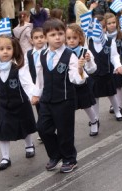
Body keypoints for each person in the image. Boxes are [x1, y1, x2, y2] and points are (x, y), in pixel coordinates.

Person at [31, 19, 88, 173]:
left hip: (64, 100)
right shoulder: (42, 55)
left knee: (65, 132)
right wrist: (36, 94)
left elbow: (76, 78)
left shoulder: (70, 55)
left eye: (60, 34)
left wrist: (81, 70)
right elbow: (39, 78)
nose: (58, 38)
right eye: (53, 34)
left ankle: (69, 158)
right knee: (42, 129)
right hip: (47, 100)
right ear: (45, 37)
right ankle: (55, 154)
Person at [0, 35, 37, 170]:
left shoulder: (18, 66)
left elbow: (27, 83)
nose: (5, 51)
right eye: (1, 49)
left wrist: (33, 95)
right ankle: (5, 157)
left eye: (8, 48)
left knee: (25, 125)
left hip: (20, 102)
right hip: (4, 104)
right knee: (3, 129)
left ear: (14, 49)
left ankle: (29, 145)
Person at [88, 16, 122, 123]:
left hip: (107, 72)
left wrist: (118, 66)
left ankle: (117, 111)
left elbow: (114, 56)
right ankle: (96, 117)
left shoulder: (109, 41)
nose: (99, 30)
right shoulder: (88, 41)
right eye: (96, 28)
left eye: (102, 27)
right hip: (94, 74)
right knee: (95, 97)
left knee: (111, 94)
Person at [66, 23, 99, 136]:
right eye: (68, 38)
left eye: (74, 38)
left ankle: (94, 121)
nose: (71, 41)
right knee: (69, 108)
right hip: (70, 84)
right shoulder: (64, 53)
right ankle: (67, 129)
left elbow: (92, 70)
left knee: (86, 105)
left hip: (83, 83)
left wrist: (89, 61)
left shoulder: (86, 52)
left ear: (80, 38)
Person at [104, 12, 122, 116]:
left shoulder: (121, 35)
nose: (112, 25)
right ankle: (113, 105)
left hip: (119, 65)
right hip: (107, 65)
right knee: (111, 86)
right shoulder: (104, 37)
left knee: (118, 86)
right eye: (109, 23)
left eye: (114, 22)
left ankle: (119, 106)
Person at [25, 27, 47, 115]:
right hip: (35, 88)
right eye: (36, 38)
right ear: (31, 40)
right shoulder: (28, 54)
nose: (39, 40)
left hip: (47, 88)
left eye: (41, 37)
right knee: (40, 112)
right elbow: (25, 71)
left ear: (45, 38)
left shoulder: (48, 52)